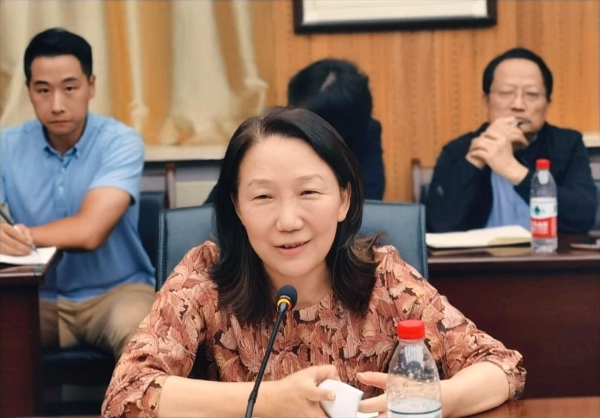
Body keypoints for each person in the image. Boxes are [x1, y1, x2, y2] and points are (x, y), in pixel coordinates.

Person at [102, 107, 525, 417]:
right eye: (263, 196)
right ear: (237, 206)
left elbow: (501, 367)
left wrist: (432, 398)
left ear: (343, 199)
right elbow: (127, 393)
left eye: (308, 192)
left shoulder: (384, 276)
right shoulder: (206, 275)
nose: (289, 221)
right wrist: (268, 402)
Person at [0, 28, 155, 358]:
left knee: (144, 343)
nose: (56, 105)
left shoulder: (120, 141)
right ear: (28, 91)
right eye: (43, 90)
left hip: (117, 293)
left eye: (69, 88)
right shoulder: (6, 146)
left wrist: (20, 236)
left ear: (91, 86)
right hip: (36, 297)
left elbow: (89, 232)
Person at [426, 47, 597, 233]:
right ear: (486, 102)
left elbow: (583, 217)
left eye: (532, 94)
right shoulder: (459, 150)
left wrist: (513, 171)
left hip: (548, 251)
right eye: (506, 93)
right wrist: (474, 162)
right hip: (479, 253)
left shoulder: (567, 144)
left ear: (547, 104)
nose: (518, 105)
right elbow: (437, 226)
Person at [204, 58, 385, 204]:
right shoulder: (263, 136)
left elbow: (369, 202)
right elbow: (215, 207)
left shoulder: (365, 131)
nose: (293, 117)